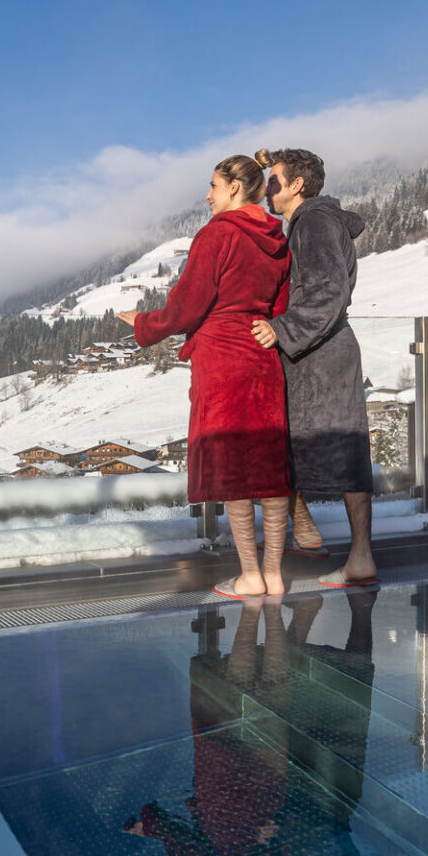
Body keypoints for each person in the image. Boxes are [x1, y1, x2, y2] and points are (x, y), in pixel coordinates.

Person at [121, 155, 292, 599]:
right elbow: (281, 307)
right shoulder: (277, 239)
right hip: (263, 356)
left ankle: (250, 575)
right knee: (271, 467)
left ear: (235, 188)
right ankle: (274, 573)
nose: (207, 194)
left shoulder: (218, 234)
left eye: (213, 185)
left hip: (223, 359)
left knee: (234, 467)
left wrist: (142, 324)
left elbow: (186, 307)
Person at [251, 148, 377, 587]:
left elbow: (329, 291)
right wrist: (268, 159)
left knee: (340, 447)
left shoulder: (314, 223)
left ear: (297, 186)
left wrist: (281, 330)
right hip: (324, 351)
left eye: (274, 181)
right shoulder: (312, 221)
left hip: (320, 353)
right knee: (336, 445)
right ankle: (313, 535)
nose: (268, 189)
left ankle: (354, 554)